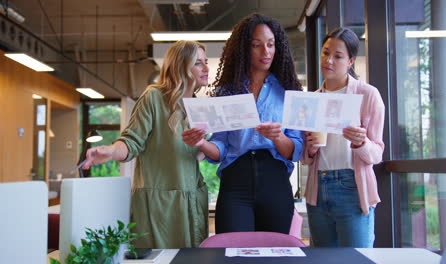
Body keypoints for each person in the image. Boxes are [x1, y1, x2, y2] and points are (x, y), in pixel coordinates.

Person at [182, 13, 303, 234]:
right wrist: (200, 142)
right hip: (235, 183)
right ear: (244, 49)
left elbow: (294, 151)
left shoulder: (288, 92)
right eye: (257, 45)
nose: (266, 52)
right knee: (232, 252)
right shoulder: (226, 93)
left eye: (271, 44)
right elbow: (220, 147)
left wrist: (278, 137)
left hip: (275, 181)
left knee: (276, 255)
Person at [81, 40, 210, 248]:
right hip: (158, 206)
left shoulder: (200, 107)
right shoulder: (153, 97)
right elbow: (132, 141)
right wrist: (111, 151)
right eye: (198, 63)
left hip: (192, 202)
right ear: (180, 66)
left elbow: (201, 153)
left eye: (205, 62)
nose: (206, 68)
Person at [301, 27, 385, 247]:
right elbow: (305, 159)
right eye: (325, 52)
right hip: (318, 187)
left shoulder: (367, 95)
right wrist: (309, 149)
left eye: (337, 56)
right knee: (323, 260)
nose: (328, 60)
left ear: (350, 62)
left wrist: (361, 142)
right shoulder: (312, 100)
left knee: (357, 258)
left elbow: (376, 153)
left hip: (352, 187)